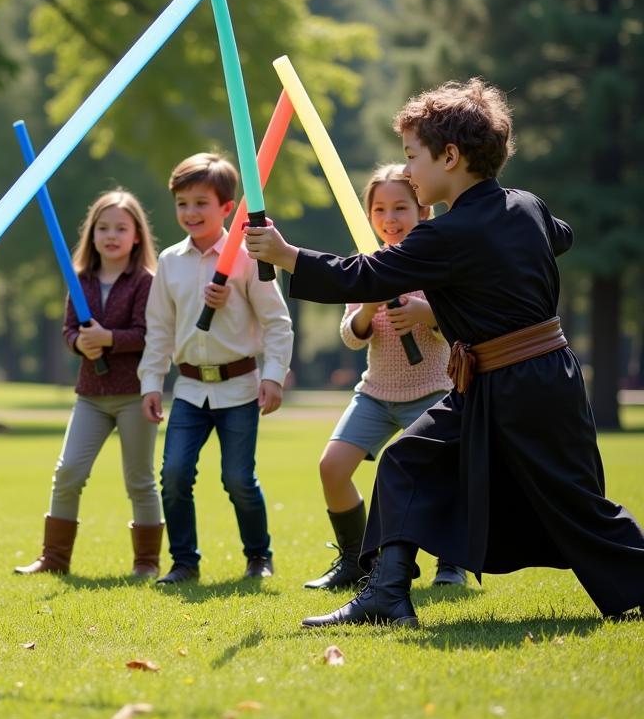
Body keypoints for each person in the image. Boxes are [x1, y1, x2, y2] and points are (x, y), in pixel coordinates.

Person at [245, 78, 644, 626]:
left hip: (524, 388)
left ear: (451, 157)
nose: (407, 170)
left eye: (413, 156)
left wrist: (287, 255)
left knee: (577, 505)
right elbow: (562, 234)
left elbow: (368, 274)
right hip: (508, 380)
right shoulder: (524, 206)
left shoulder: (447, 236)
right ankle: (388, 594)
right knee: (407, 460)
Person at [304, 163, 465, 592]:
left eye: (400, 208)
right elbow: (351, 337)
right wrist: (369, 309)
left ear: (423, 213)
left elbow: (459, 325)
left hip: (430, 391)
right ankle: (356, 559)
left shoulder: (435, 264)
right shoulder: (366, 266)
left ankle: (452, 563)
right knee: (332, 468)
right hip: (375, 394)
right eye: (379, 209)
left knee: (444, 478)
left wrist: (425, 313)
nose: (389, 219)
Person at [139, 152, 293, 584]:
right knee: (173, 475)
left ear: (227, 208)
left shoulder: (249, 257)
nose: (190, 212)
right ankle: (184, 562)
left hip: (240, 387)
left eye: (201, 203)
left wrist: (272, 376)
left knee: (238, 479)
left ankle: (258, 557)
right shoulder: (169, 262)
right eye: (182, 203)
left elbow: (276, 323)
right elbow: (159, 329)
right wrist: (152, 383)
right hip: (188, 389)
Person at [15, 189, 163, 578]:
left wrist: (109, 338)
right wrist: (80, 342)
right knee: (68, 472)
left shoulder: (146, 283)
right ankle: (54, 560)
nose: (111, 235)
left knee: (140, 480)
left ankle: (147, 563)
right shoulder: (78, 280)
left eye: (120, 228)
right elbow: (68, 330)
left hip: (134, 395)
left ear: (136, 236)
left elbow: (151, 334)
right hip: (91, 397)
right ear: (91, 234)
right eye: (103, 228)